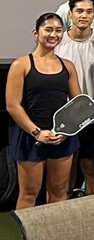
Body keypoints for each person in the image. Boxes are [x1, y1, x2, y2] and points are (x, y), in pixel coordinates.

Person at [5, 13, 82, 209]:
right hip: (30, 138)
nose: (53, 34)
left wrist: (65, 132)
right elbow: (13, 105)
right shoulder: (21, 65)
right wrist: (37, 132)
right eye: (48, 29)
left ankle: (54, 239)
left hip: (62, 139)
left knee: (59, 191)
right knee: (29, 194)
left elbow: (79, 104)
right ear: (36, 33)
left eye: (58, 30)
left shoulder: (68, 66)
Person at [55, 0, 94, 197]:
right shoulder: (57, 42)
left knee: (90, 167)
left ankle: (92, 217)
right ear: (70, 14)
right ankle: (62, 218)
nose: (84, 15)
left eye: (89, 11)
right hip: (63, 117)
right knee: (64, 170)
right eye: (79, 11)